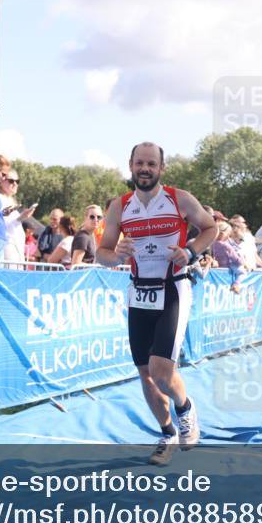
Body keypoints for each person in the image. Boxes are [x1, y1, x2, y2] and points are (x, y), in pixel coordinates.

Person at [96, 141, 217, 466]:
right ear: (131, 166)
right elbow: (101, 253)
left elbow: (211, 228)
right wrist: (114, 255)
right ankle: (167, 434)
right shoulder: (120, 207)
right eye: (140, 163)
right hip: (139, 293)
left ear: (161, 168)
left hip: (173, 289)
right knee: (146, 374)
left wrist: (191, 252)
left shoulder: (180, 199)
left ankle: (185, 409)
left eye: (151, 164)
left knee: (163, 371)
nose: (145, 169)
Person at [210, 220, 246, 293]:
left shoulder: (213, 243)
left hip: (221, 265)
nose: (228, 236)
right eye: (228, 234)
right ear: (223, 233)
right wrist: (242, 260)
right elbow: (236, 259)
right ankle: (236, 285)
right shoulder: (226, 245)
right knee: (243, 273)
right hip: (230, 265)